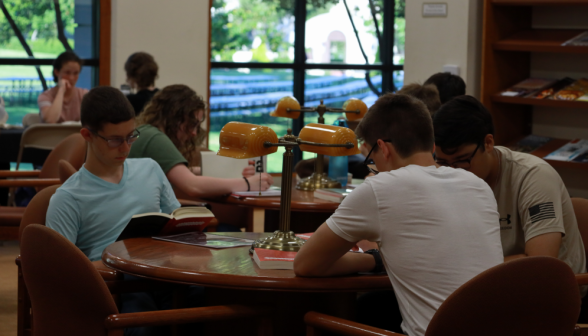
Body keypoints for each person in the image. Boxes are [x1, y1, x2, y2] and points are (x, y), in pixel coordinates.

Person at [293, 93, 504, 336]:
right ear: (432, 144)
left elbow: (306, 264)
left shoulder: (380, 188)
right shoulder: (477, 185)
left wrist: (373, 260)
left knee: (315, 319)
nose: (374, 167)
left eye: (371, 160)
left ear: (383, 147)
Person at [45, 86, 197, 336]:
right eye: (115, 140)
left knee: (206, 297)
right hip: (116, 283)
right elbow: (60, 272)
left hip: (163, 271)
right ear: (88, 135)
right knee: (142, 314)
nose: (126, 148)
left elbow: (177, 224)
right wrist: (117, 266)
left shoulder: (149, 169)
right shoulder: (69, 197)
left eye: (131, 136)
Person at [433, 95, 586, 281]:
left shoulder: (533, 176)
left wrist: (469, 270)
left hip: (549, 289)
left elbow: (541, 263)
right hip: (490, 282)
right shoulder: (443, 175)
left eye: (462, 161)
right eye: (442, 162)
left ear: (488, 143)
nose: (452, 172)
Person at [129, 84, 273, 199]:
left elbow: (180, 173)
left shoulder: (146, 132)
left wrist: (232, 173)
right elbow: (193, 186)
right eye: (192, 124)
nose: (194, 133)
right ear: (174, 117)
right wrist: (248, 183)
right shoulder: (155, 138)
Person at [38, 51, 88, 123]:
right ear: (57, 72)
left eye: (76, 73)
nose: (71, 78)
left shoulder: (84, 95)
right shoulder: (45, 96)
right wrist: (61, 90)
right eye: (67, 72)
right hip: (53, 134)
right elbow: (50, 120)